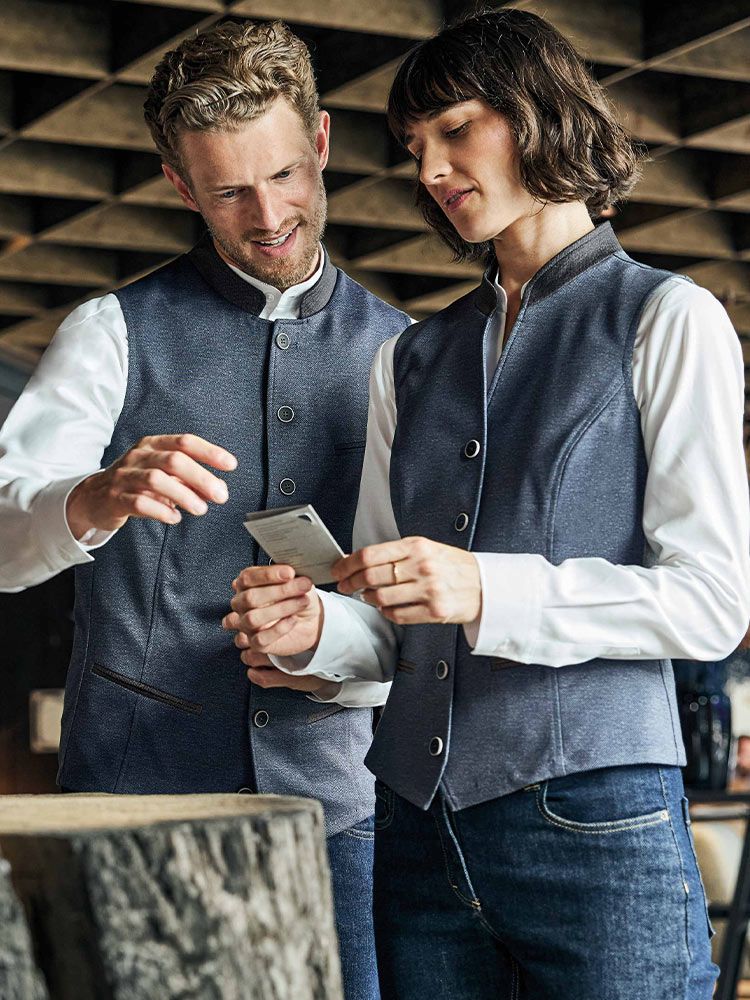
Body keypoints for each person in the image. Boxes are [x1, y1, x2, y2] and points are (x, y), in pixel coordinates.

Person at [224, 9, 750, 999]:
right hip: (416, 834)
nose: (430, 169)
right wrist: (315, 635)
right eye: (415, 147)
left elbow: (713, 602)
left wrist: (483, 587)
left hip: (595, 825)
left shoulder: (667, 317)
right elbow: (392, 627)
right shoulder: (407, 360)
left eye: (456, 129)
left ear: (540, 111)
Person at [0, 20, 410, 1000]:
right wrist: (92, 497)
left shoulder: (409, 355)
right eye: (228, 191)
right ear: (182, 186)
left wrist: (325, 640)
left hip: (339, 815)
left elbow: (415, 617)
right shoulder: (109, 332)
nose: (267, 216)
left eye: (284, 175)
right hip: (133, 805)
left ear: (320, 142)